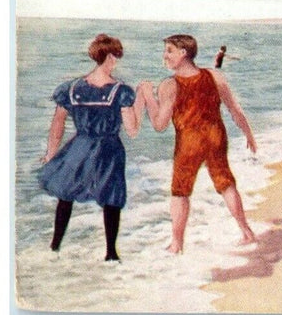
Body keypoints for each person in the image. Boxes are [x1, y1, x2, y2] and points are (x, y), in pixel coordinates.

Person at [137, 34, 259, 253]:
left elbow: (159, 124)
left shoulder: (170, 85)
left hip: (189, 141)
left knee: (180, 191)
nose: (165, 56)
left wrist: (148, 97)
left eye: (169, 51)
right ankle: (246, 231)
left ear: (183, 53)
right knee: (225, 182)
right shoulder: (214, 75)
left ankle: (177, 244)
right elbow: (235, 109)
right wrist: (249, 134)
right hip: (216, 136)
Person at [39, 34, 143, 261]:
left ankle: (54, 247)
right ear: (109, 58)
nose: (116, 61)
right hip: (108, 148)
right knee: (111, 198)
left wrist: (51, 154)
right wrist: (141, 101)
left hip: (80, 146)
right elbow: (133, 130)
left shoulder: (72, 88)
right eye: (115, 56)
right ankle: (111, 254)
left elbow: (58, 123)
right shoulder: (121, 91)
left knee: (66, 194)